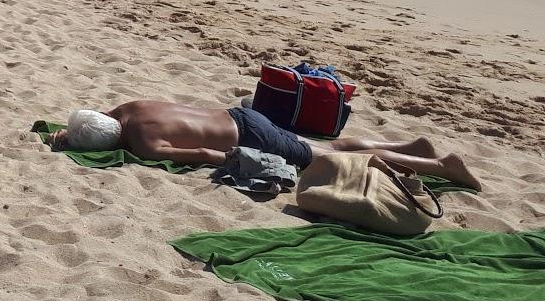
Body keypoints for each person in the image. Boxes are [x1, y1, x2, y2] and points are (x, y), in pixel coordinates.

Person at [49, 100, 480, 187]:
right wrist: (70, 132)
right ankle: (412, 145)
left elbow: (202, 155)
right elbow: (96, 121)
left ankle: (444, 168)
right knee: (318, 143)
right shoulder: (129, 108)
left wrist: (233, 165)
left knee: (330, 156)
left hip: (249, 136)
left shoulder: (142, 143)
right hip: (239, 114)